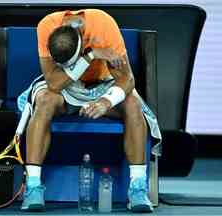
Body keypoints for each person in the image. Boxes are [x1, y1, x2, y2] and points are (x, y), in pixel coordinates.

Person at [17, 9, 161, 213]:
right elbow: (54, 83)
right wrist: (91, 56)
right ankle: (32, 187)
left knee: (133, 105)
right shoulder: (46, 26)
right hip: (65, 86)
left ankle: (137, 189)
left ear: (83, 43)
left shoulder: (104, 26)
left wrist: (106, 102)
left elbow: (127, 79)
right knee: (44, 101)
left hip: (102, 84)